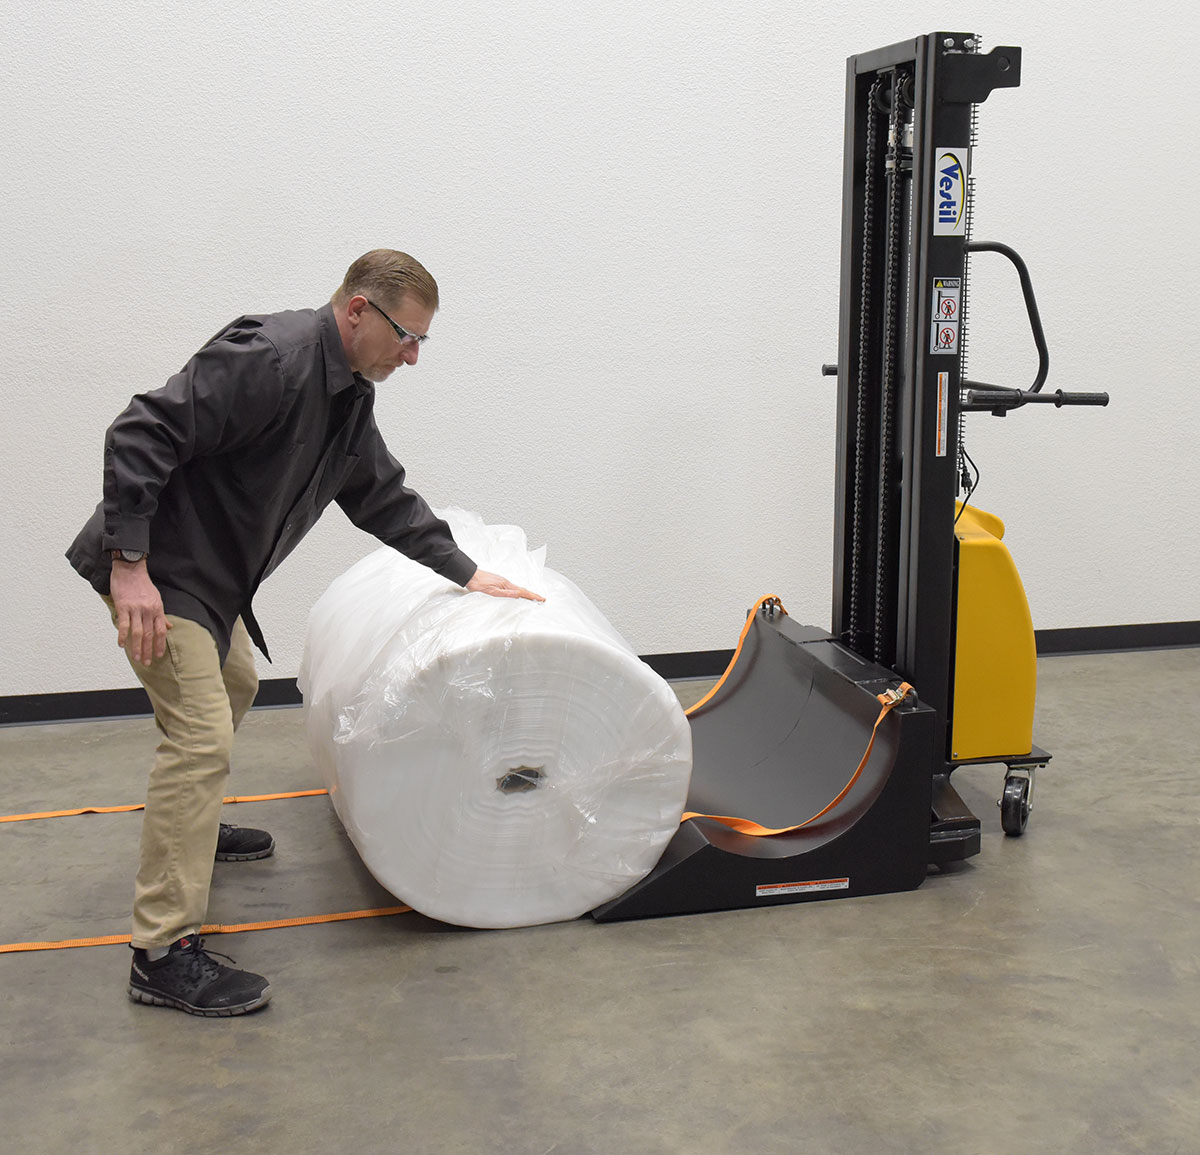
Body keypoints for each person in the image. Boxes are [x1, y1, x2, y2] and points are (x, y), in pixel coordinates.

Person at [66, 250, 543, 1017]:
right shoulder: (271, 359)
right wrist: (130, 566)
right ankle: (160, 952)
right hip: (162, 569)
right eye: (406, 336)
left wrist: (465, 571)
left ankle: (192, 829)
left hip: (207, 579)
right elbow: (141, 429)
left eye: (421, 341)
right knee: (201, 737)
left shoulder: (347, 394)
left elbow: (380, 495)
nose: (412, 356)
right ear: (357, 310)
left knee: (236, 683)